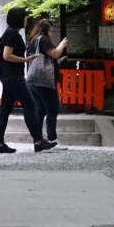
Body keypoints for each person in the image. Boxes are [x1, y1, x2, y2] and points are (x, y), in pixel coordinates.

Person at [0, 7, 52, 154]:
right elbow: (7, 55)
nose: (26, 20)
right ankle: (38, 141)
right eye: (24, 18)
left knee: (5, 109)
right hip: (13, 76)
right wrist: (25, 59)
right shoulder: (12, 34)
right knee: (30, 104)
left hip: (8, 76)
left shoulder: (11, 33)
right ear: (19, 19)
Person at [25, 17, 68, 149]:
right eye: (50, 31)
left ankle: (38, 141)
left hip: (33, 80)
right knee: (52, 108)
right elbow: (54, 54)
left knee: (40, 109)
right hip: (43, 81)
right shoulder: (42, 39)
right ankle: (51, 139)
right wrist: (62, 44)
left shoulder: (32, 41)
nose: (51, 34)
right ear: (45, 30)